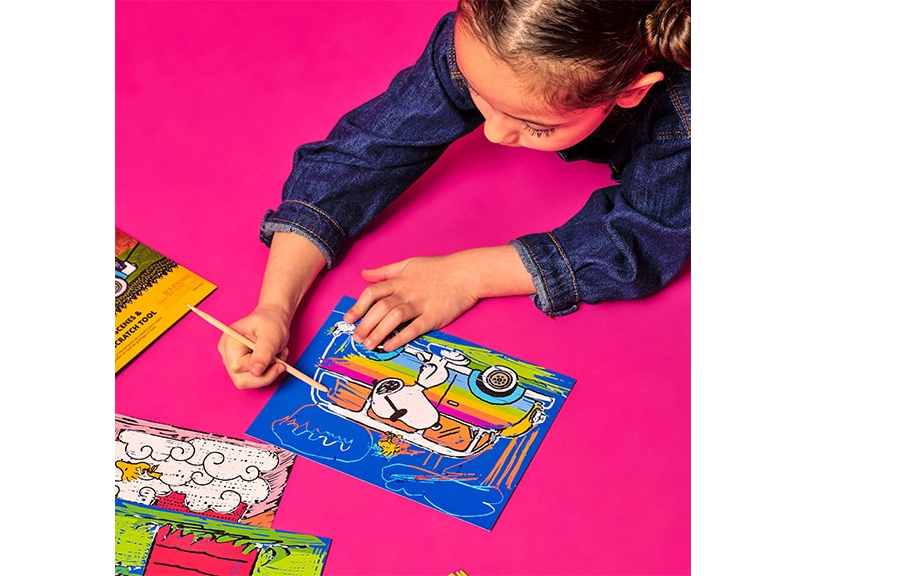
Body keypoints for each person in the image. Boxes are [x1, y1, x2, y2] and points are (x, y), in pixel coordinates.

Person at [219, 0, 691, 389]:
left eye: (536, 126)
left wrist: (468, 275)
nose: (492, 134)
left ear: (632, 91)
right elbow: (361, 154)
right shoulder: (490, 35)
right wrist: (274, 306)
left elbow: (644, 237)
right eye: (476, 91)